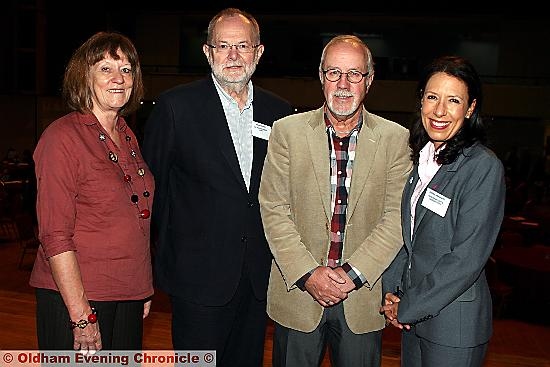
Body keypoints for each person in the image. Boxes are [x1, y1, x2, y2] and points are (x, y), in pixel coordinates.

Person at [142, 8, 292, 366]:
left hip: (258, 278)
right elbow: (153, 193)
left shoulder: (281, 113)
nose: (234, 56)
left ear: (259, 52)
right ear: (208, 52)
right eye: (223, 46)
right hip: (197, 279)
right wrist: (151, 265)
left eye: (243, 45)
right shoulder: (175, 107)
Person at [258, 35, 412, 367]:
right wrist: (308, 273)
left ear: (369, 80)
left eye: (354, 74)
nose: (343, 84)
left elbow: (395, 217)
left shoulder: (395, 138)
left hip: (362, 299)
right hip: (298, 296)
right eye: (333, 73)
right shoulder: (286, 132)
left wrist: (352, 275)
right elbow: (273, 208)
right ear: (320, 76)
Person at [30, 31, 154, 354]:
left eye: (126, 69)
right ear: (85, 77)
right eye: (106, 68)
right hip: (77, 300)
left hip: (127, 295)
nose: (119, 78)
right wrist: (81, 315)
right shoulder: (61, 138)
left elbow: (135, 218)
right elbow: (55, 235)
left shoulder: (127, 135)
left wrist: (141, 286)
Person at [380, 55, 506, 367]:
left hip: (453, 326)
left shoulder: (482, 167)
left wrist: (407, 306)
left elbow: (466, 260)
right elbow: (409, 238)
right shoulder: (422, 161)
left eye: (453, 100)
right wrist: (391, 292)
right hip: (415, 319)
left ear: (471, 107)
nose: (440, 111)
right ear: (421, 100)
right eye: (432, 97)